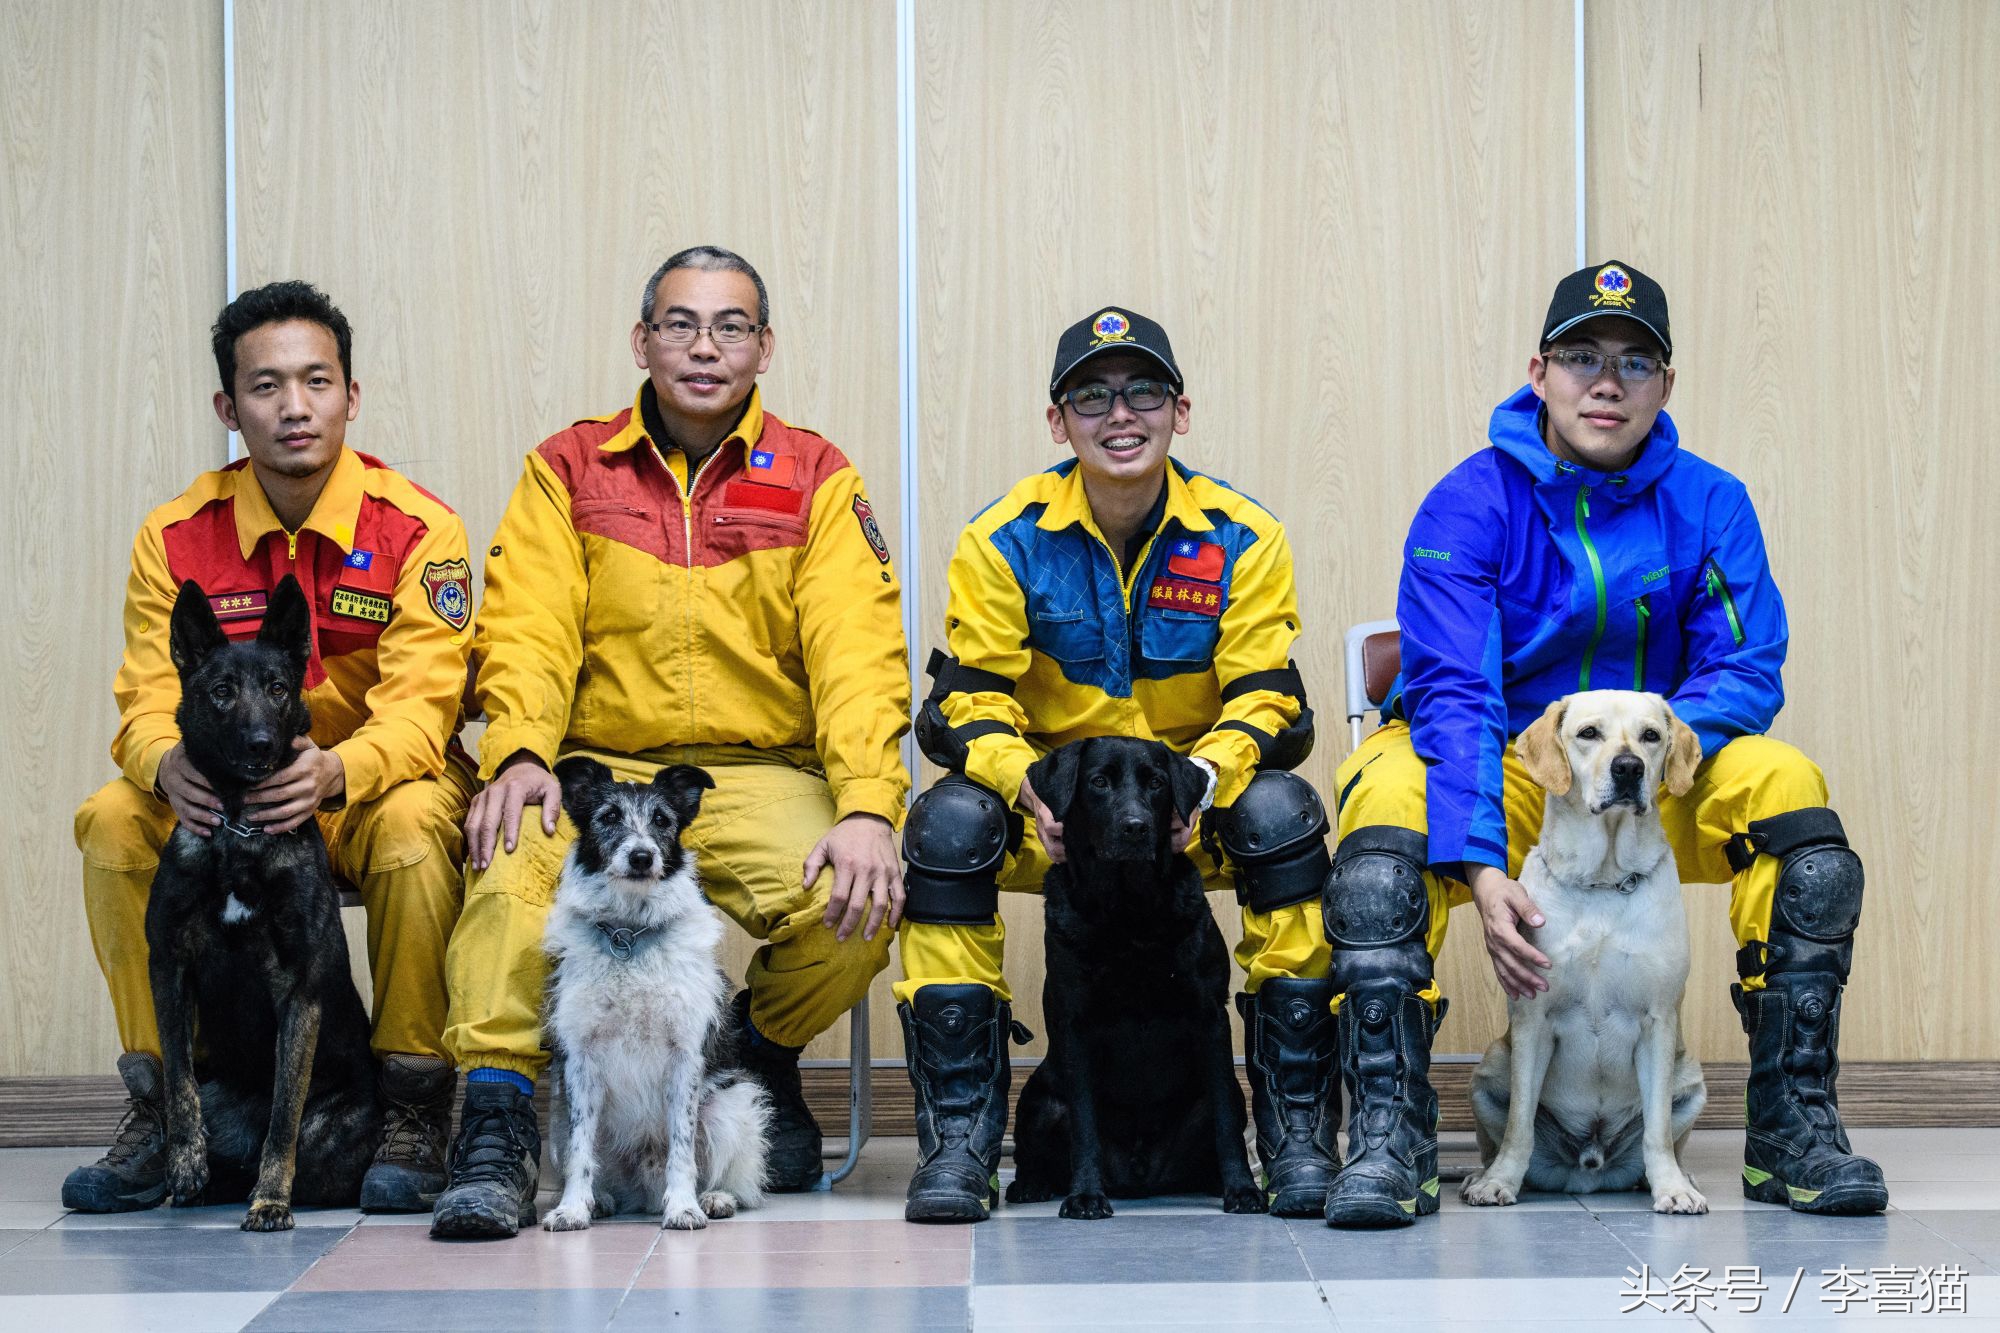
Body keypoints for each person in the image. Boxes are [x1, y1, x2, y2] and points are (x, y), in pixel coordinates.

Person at [1323, 261, 1885, 1226]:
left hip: (1656, 755)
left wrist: (1662, 752)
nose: (1607, 381)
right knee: (1380, 809)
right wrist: (1482, 861)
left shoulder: (1713, 502)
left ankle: (1793, 1126)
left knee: (1790, 786)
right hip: (1513, 753)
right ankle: (1390, 1130)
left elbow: (1749, 663)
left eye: (1635, 362)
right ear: (1538, 372)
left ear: (1666, 385)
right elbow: (1453, 690)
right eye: (1582, 357)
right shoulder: (1470, 501)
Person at [431, 246, 911, 1238]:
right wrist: (519, 748)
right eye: (680, 323)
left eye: (730, 326)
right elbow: (526, 623)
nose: (704, 346)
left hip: (761, 769)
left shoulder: (815, 476)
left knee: (854, 893)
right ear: (641, 340)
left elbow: (856, 652)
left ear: (764, 347)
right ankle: (493, 1125)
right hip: (598, 776)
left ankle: (751, 1050)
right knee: (504, 877)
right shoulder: (567, 467)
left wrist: (867, 802)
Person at [895, 307, 1335, 1223]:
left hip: (1190, 816)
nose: (1119, 414)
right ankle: (962, 1137)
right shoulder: (1002, 537)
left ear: (1180, 409)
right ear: (1059, 421)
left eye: (1142, 391)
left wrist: (1201, 783)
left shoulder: (1243, 534)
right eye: (1091, 395)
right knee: (945, 825)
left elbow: (1266, 698)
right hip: (1058, 819)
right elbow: (971, 701)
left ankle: (1292, 1128)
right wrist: (1028, 786)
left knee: (1284, 813)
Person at [68, 280, 474, 1216]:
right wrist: (163, 762)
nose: (295, 407)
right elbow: (143, 697)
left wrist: (337, 772)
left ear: (351, 395)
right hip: (221, 790)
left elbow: (425, 707)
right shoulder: (174, 536)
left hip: (367, 789)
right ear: (228, 406)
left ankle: (412, 1106)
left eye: (317, 381)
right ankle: (166, 1104)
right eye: (266, 386)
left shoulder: (418, 528)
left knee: (418, 826)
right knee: (115, 821)